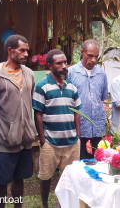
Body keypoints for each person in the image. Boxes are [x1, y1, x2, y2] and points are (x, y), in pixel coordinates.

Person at [0, 34, 35, 208]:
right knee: (2, 181)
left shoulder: (29, 73)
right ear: (10, 50)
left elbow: (29, 100)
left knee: (19, 178)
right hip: (5, 139)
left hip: (25, 138)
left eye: (27, 51)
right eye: (22, 50)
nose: (26, 54)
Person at [33, 49, 81, 208]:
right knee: (45, 177)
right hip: (50, 141)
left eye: (65, 62)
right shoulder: (42, 86)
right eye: (59, 63)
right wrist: (42, 139)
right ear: (49, 65)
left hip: (71, 141)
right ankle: (45, 204)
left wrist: (78, 137)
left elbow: (77, 113)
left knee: (70, 178)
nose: (64, 66)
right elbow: (38, 114)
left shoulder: (72, 86)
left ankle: (64, 204)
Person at [68, 39, 108, 159]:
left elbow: (102, 98)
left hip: (98, 128)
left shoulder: (101, 74)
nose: (93, 60)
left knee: (98, 161)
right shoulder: (71, 73)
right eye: (90, 56)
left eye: (96, 57)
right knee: (80, 162)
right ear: (82, 52)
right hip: (79, 127)